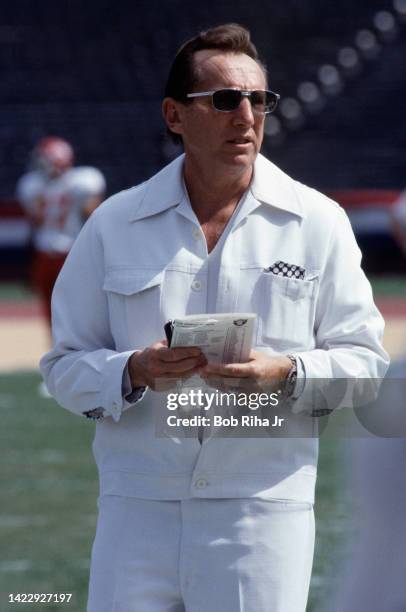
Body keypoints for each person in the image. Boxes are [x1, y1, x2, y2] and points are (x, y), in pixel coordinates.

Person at [40, 24, 389, 612]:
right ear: (175, 115)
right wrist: (133, 370)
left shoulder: (319, 223)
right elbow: (63, 367)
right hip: (137, 513)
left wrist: (287, 371)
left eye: (260, 100)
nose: (247, 115)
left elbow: (367, 369)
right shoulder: (114, 224)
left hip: (260, 514)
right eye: (225, 99)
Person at [16, 136, 106, 329]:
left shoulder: (31, 185)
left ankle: (59, 347)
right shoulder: (84, 180)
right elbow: (94, 214)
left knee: (54, 308)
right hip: (71, 251)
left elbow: (37, 221)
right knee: (78, 306)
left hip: (49, 253)